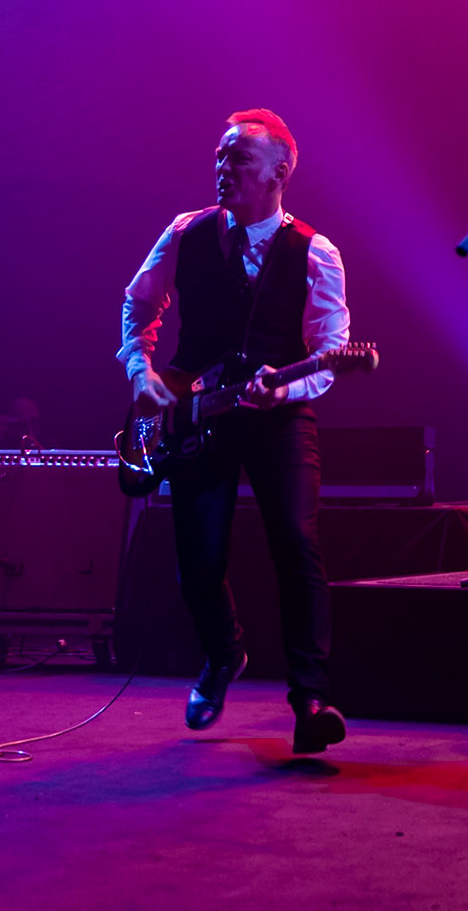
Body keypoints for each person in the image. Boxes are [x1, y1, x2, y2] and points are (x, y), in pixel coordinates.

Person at [118, 108, 351, 754]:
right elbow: (138, 304)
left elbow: (330, 353)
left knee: (298, 548)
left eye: (239, 159)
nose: (224, 169)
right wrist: (141, 371)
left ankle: (311, 697)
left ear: (279, 172)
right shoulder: (185, 232)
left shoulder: (315, 251)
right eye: (220, 157)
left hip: (277, 418)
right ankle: (223, 654)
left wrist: (285, 385)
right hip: (197, 413)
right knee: (197, 560)